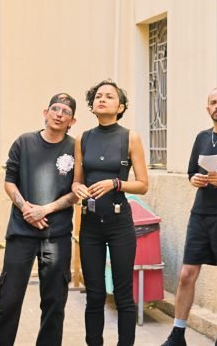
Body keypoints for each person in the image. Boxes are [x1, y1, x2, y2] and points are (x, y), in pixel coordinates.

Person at [0, 92, 80, 346]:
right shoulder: (24, 142)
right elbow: (9, 181)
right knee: (8, 300)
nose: (59, 114)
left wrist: (45, 210)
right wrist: (26, 208)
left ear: (72, 121)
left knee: (54, 302)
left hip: (56, 235)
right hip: (21, 233)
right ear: (45, 112)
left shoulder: (75, 148)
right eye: (55, 109)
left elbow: (76, 191)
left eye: (66, 112)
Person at [161, 87, 217, 346]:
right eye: (213, 102)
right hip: (200, 213)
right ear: (207, 108)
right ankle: (178, 333)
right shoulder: (201, 137)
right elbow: (190, 172)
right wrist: (195, 178)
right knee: (187, 274)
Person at [72, 79, 150, 346]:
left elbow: (143, 184)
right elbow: (77, 180)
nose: (101, 99)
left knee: (123, 293)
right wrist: (77, 188)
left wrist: (115, 183)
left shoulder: (130, 137)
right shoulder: (83, 138)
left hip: (120, 223)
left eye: (109, 96)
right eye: (97, 96)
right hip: (90, 224)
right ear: (92, 106)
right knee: (94, 295)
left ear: (121, 106)